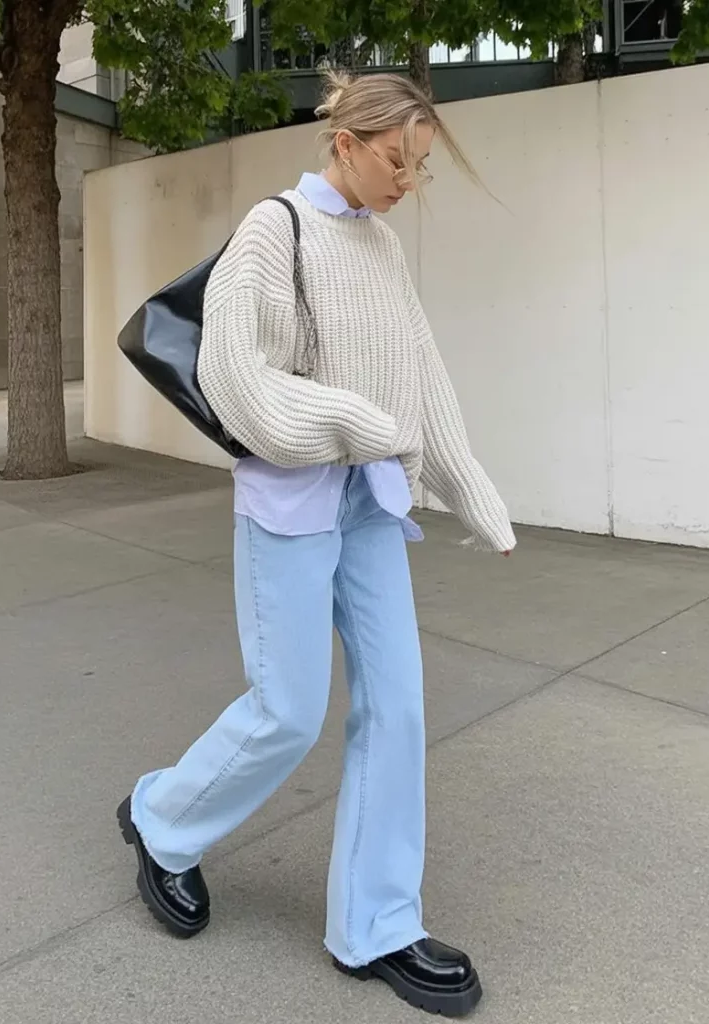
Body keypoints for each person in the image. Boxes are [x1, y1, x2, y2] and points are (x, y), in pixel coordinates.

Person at [117, 69, 516, 1018]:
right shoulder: (273, 228)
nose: (404, 184)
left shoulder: (381, 248)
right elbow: (236, 378)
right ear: (346, 141)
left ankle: (376, 927)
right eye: (395, 161)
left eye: (419, 171)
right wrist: (357, 421)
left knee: (399, 711)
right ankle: (161, 820)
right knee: (288, 710)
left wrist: (474, 491)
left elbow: (423, 376)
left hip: (371, 506)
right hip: (291, 505)